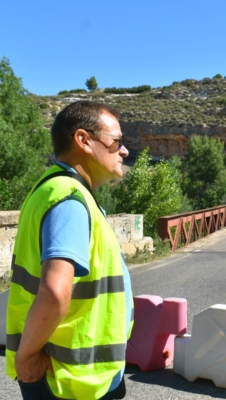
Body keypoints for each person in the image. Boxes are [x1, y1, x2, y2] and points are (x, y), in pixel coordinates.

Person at [6, 101, 133, 399]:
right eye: (117, 142)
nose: (124, 151)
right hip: (69, 381)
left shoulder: (58, 190)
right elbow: (55, 290)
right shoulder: (70, 199)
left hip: (86, 377)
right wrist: (26, 360)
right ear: (83, 140)